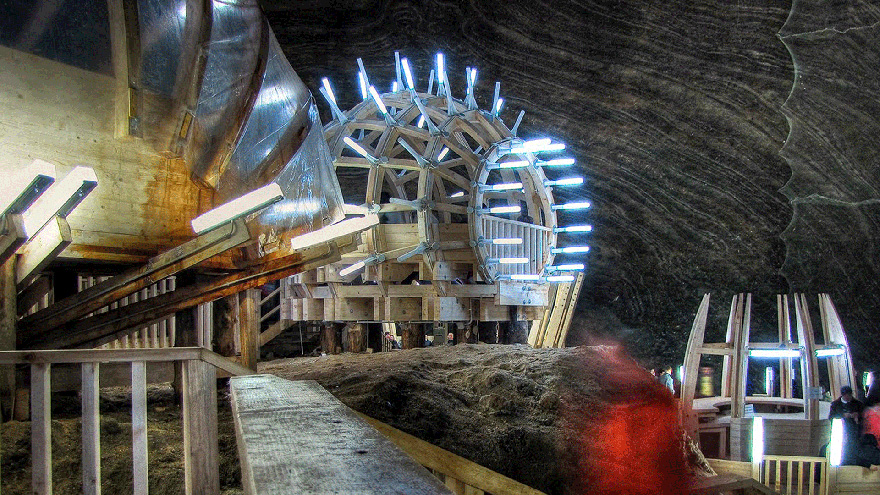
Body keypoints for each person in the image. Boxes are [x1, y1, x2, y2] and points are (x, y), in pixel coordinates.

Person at [830, 385, 864, 465]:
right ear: (842, 395)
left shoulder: (858, 404)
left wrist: (857, 416)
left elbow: (863, 416)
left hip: (854, 430)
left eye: (850, 395)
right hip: (840, 430)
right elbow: (831, 417)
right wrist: (843, 415)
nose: (848, 397)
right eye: (846, 395)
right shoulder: (835, 405)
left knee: (853, 447)